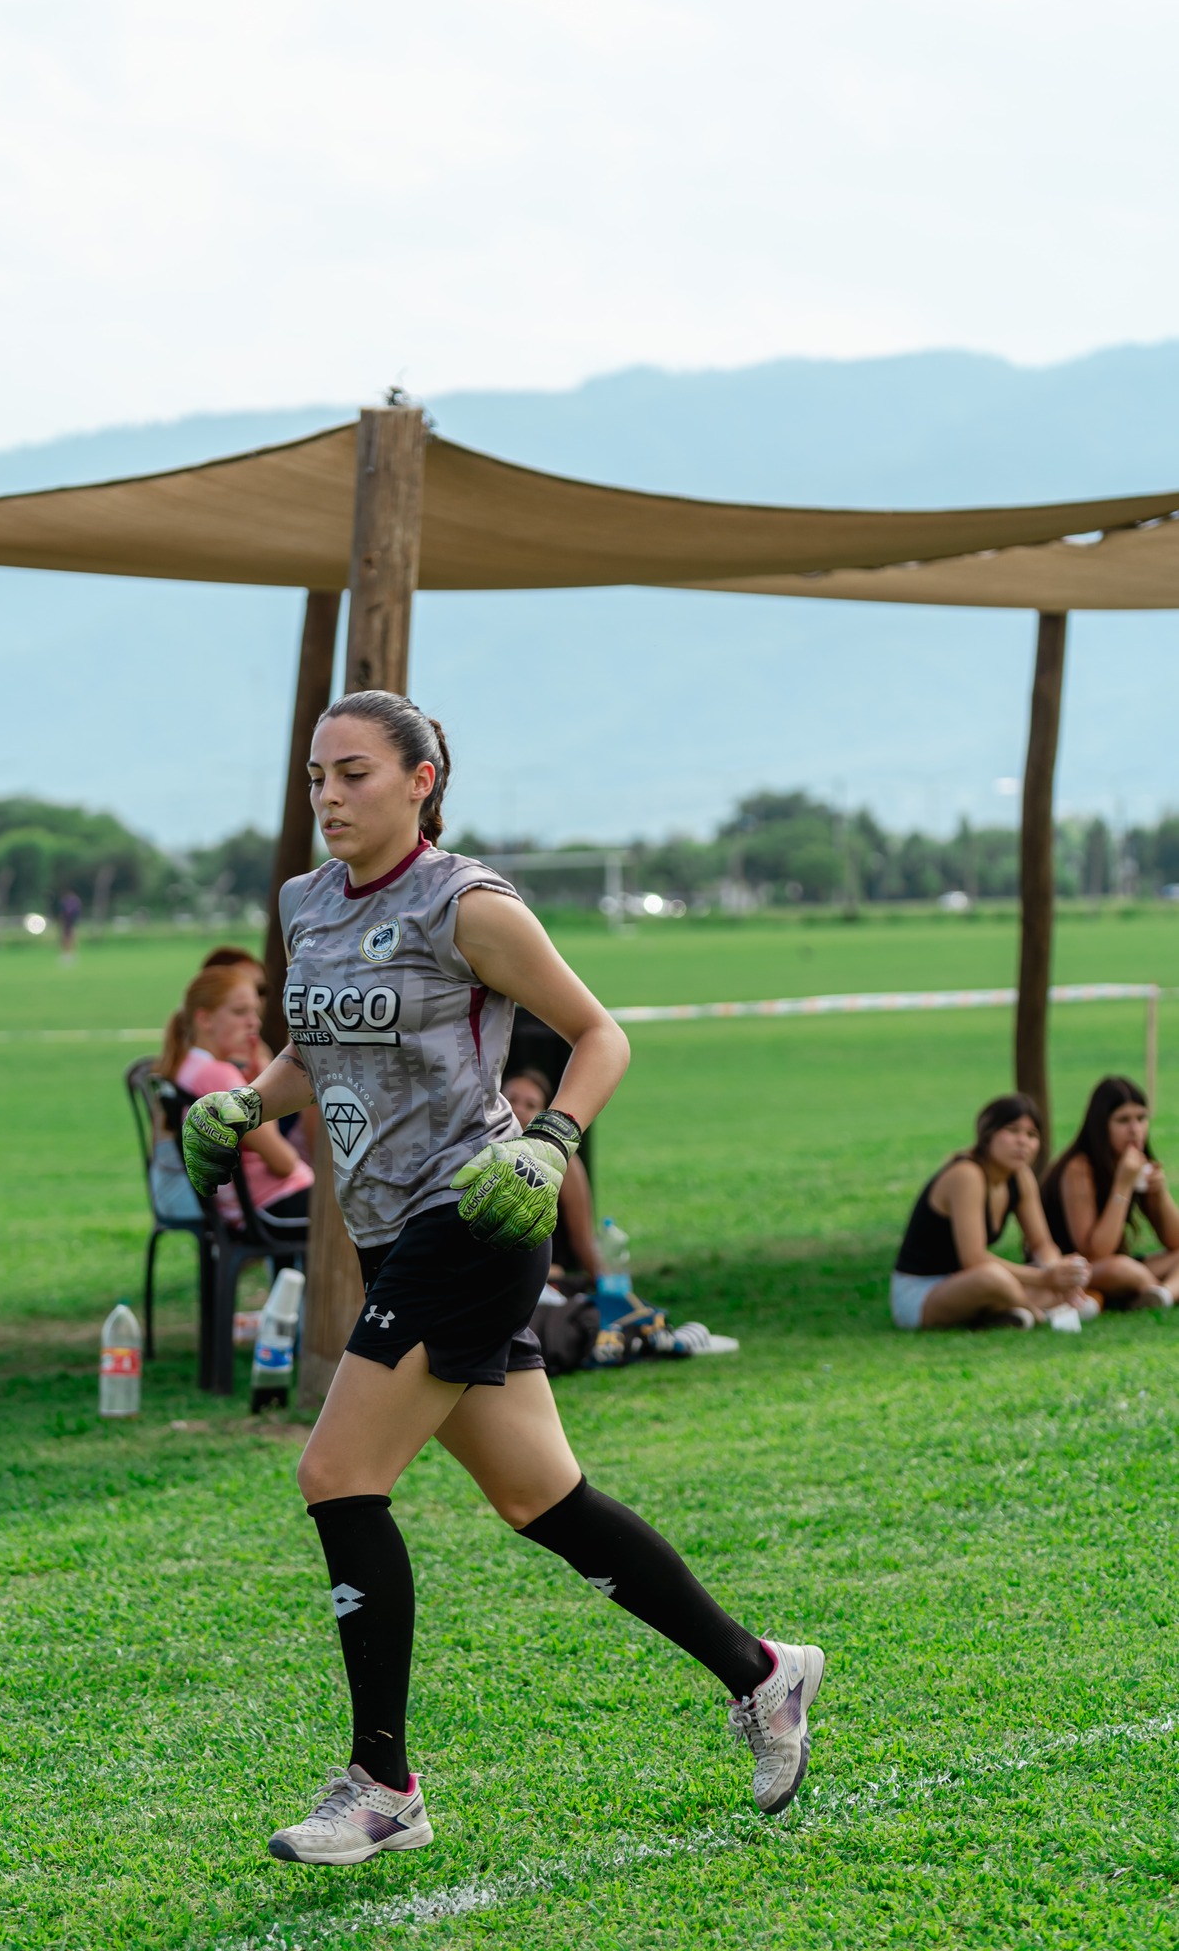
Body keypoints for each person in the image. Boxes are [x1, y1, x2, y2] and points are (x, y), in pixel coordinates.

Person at [182, 688, 825, 1865]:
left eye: (355, 772)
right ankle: (762, 1671)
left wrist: (552, 1140)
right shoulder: (306, 902)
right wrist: (246, 1101)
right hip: (389, 1230)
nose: (329, 795)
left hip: (475, 1217)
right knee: (541, 1497)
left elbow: (600, 1033)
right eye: (318, 775)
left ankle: (383, 1783)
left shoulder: (467, 902)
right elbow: (318, 1046)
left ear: (421, 779)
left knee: (337, 1473)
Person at [891, 1093, 1091, 1330]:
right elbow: (973, 1259)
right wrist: (1045, 1279)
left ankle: (1009, 1313)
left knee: (1064, 1274)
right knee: (992, 1277)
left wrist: (1057, 1271)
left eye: (1031, 1135)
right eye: (1012, 1130)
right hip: (923, 1292)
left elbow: (1041, 1244)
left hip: (968, 1282)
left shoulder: (1020, 1176)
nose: (1023, 1142)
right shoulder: (967, 1175)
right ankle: (1037, 1312)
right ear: (987, 1135)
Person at [154, 964, 313, 1231]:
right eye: (240, 1012)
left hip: (244, 1207)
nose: (254, 1023)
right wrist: (265, 1085)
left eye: (255, 1011)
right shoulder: (219, 1076)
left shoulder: (186, 1067)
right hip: (270, 1205)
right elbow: (284, 1163)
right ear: (204, 1019)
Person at [1040, 1076, 1179, 1310]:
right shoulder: (1079, 1168)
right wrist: (1123, 1185)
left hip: (1117, 1263)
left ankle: (1163, 1294)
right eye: (1123, 1120)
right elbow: (1095, 1252)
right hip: (1076, 1269)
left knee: (1130, 1269)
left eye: (1141, 1118)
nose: (1135, 1130)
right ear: (1101, 1125)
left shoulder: (1134, 1162)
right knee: (1124, 1270)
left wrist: (1160, 1192)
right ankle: (1154, 1289)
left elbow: (1175, 1241)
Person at [503, 1066, 603, 1281]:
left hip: (546, 1279)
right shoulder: (476, 1152)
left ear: (542, 1116)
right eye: (511, 1100)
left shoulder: (563, 1162)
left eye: (530, 1105)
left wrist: (608, 1286)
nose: (518, 1109)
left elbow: (583, 1241)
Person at [58, 890, 81, 963]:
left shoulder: (71, 902)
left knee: (70, 937)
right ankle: (68, 953)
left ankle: (70, 953)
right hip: (68, 922)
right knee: (68, 937)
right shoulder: (73, 901)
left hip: (70, 922)